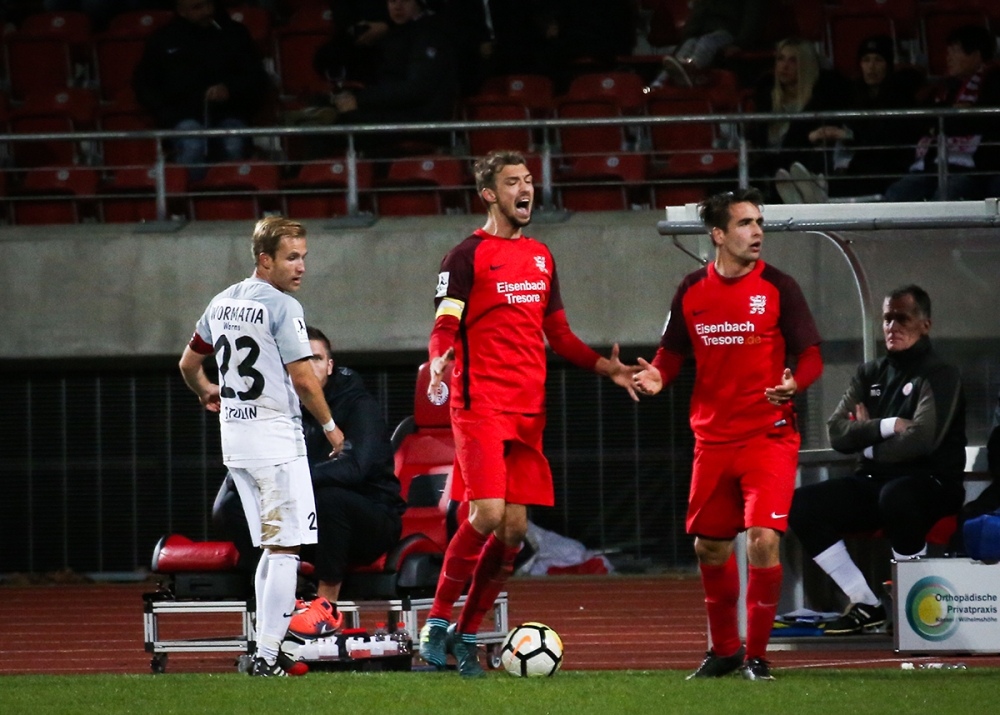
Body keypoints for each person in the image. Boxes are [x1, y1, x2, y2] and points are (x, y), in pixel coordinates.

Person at [418, 149, 640, 677]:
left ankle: (467, 633)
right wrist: (439, 360)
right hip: (479, 403)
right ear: (489, 194)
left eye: (529, 180)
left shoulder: (541, 256)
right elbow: (445, 324)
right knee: (488, 513)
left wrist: (606, 368)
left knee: (514, 531)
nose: (526, 189)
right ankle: (436, 623)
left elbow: (558, 333)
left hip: (527, 410)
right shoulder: (464, 256)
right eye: (513, 182)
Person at [633, 188, 824, 681]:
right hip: (712, 441)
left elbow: (811, 356)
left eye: (758, 222)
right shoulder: (692, 289)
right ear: (718, 234)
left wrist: (795, 384)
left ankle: (758, 656)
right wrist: (657, 376)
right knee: (710, 548)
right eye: (744, 223)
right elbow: (671, 354)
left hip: (768, 437)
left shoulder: (780, 286)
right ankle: (725, 651)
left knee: (762, 540)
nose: (756, 232)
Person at [178, 217, 345, 677]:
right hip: (274, 438)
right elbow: (304, 378)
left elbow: (189, 363)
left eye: (304, 257)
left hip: (236, 440)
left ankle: (263, 649)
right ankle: (268, 656)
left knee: (272, 549)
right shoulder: (283, 305)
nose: (301, 266)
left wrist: (205, 391)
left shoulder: (222, 301)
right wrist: (331, 428)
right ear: (265, 259)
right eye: (292, 257)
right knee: (287, 549)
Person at [788, 286, 966, 634]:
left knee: (897, 497)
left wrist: (867, 441)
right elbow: (837, 432)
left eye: (902, 318)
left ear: (925, 325)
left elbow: (922, 440)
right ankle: (866, 603)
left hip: (932, 482)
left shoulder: (940, 373)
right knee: (802, 505)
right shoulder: (869, 373)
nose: (892, 326)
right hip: (875, 481)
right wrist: (888, 425)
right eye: (887, 319)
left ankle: (910, 604)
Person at [212, 326, 406, 635]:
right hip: (308, 524)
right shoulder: (274, 404)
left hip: (371, 522)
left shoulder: (358, 404)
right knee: (229, 506)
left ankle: (326, 608)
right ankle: (285, 595)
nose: (308, 366)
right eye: (299, 359)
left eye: (315, 358)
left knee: (329, 498)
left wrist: (286, 481)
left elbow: (354, 469)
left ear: (330, 366)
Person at [132, 0, 268, 179]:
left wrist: (230, 90)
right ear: (182, 10)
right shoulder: (163, 39)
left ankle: (230, 190)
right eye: (197, 7)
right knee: (193, 144)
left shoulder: (235, 33)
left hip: (230, 112)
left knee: (233, 143)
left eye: (208, 4)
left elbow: (256, 77)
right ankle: (190, 193)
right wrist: (166, 113)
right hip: (181, 116)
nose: (206, 11)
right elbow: (144, 84)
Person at [791, 35, 924, 201]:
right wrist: (823, 133)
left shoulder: (900, 98)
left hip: (884, 168)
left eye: (878, 60)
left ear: (888, 64)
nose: (871, 67)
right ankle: (810, 189)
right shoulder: (853, 94)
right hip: (852, 163)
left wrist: (849, 136)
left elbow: (887, 142)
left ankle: (814, 192)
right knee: (820, 153)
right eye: (866, 60)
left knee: (859, 167)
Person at [884, 25, 1000, 202]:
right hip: (933, 166)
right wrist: (954, 115)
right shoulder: (945, 88)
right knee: (897, 193)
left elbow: (980, 122)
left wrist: (949, 120)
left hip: (974, 170)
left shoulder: (994, 82)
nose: (948, 57)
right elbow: (925, 120)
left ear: (976, 55)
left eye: (955, 51)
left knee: (946, 195)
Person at [747, 37, 850, 202]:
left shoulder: (822, 99)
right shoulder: (767, 98)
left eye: (793, 60)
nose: (784, 66)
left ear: (806, 65)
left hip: (801, 164)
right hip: (768, 169)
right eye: (780, 59)